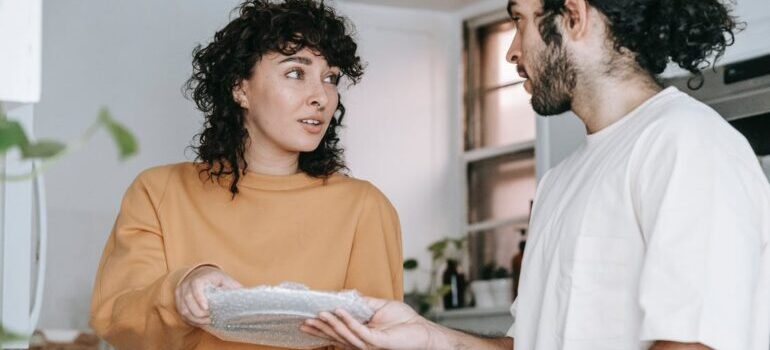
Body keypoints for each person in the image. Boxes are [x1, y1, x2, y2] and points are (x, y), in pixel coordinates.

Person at [302, 0, 770, 349]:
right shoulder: (559, 182)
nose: (511, 50)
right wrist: (425, 335)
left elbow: (695, 343)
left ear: (573, 15)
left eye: (518, 21)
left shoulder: (687, 144)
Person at [89, 1, 404, 349]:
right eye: (296, 73)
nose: (321, 97)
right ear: (240, 88)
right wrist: (184, 286)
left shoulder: (364, 207)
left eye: (330, 78)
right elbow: (119, 322)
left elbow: (377, 336)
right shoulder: (159, 191)